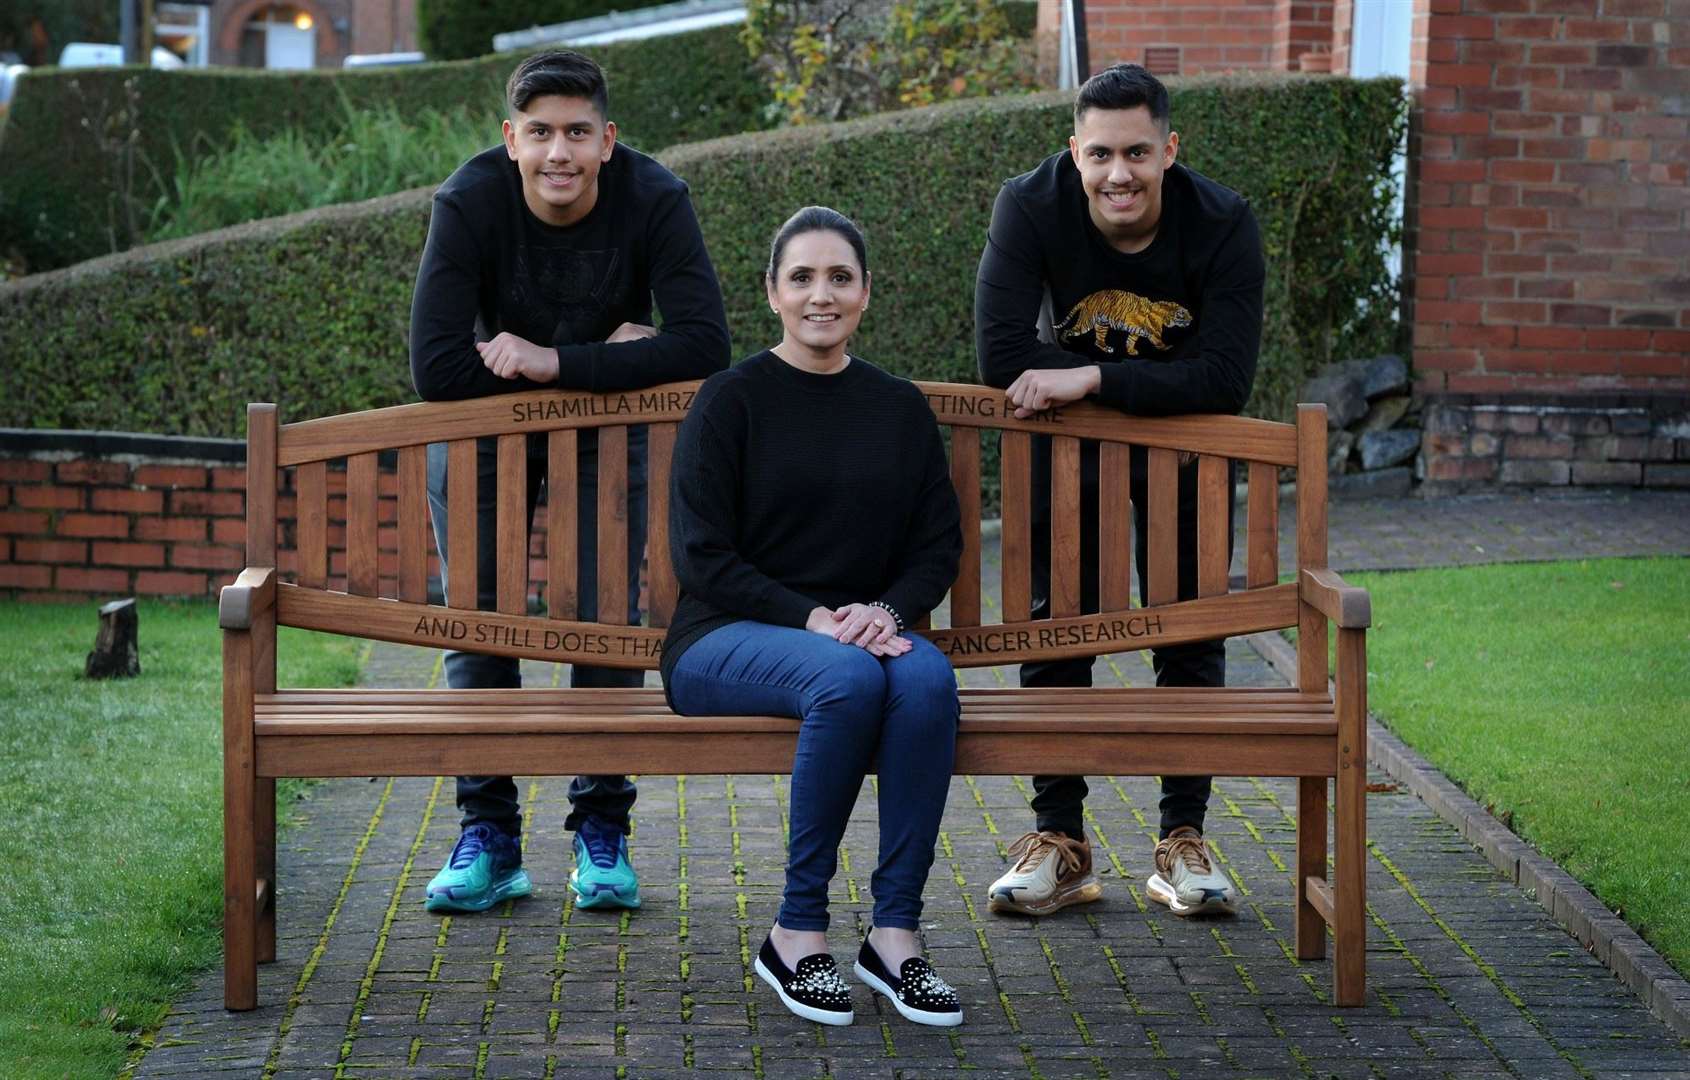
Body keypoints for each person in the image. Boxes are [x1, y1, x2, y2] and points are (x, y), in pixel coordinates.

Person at [409, 50, 731, 914]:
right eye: (541, 133)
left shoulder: (654, 196)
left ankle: (602, 832)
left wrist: (555, 361)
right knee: (479, 623)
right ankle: (490, 839)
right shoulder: (468, 199)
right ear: (510, 138)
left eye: (578, 133)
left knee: (601, 621)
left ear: (609, 140)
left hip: (602, 432)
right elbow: (437, 367)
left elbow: (704, 343)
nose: (560, 152)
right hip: (481, 429)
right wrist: (607, 361)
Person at [974, 63, 1265, 919]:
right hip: (1069, 456)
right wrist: (1104, 386)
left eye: (1138, 152)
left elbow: (1227, 377)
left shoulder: (1222, 221)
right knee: (1057, 631)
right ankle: (1059, 842)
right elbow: (1000, 355)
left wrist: (1088, 378)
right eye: (1099, 153)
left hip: (1183, 454)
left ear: (1170, 149)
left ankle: (1183, 841)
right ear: (1074, 150)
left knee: (1189, 634)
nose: (1118, 174)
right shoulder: (1028, 204)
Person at [663, 207, 965, 1028]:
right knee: (846, 677)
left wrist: (885, 611)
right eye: (801, 278)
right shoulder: (732, 401)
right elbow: (701, 555)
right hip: (721, 639)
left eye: (839, 277)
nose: (820, 295)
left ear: (866, 292)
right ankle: (797, 932)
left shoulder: (897, 408)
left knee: (929, 681)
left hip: (859, 634)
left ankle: (894, 935)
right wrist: (815, 620)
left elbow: (937, 546)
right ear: (772, 293)